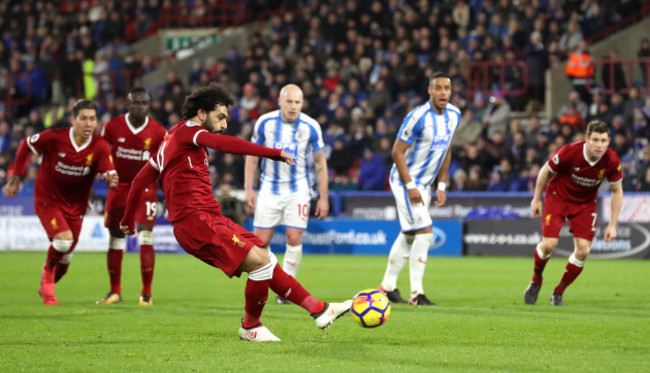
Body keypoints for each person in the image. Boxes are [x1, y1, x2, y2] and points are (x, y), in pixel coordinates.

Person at [119, 83, 350, 342]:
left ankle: (320, 309)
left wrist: (128, 220)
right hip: (196, 222)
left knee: (265, 257)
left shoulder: (172, 140)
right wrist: (273, 154)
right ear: (201, 113)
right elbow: (223, 144)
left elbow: (140, 179)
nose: (225, 123)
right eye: (220, 116)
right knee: (261, 263)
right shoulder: (189, 131)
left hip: (208, 219)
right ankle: (252, 326)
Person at [3, 100, 119, 305]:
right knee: (63, 241)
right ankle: (47, 272)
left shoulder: (100, 145)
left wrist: (110, 178)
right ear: (73, 120)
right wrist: (16, 177)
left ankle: (47, 281)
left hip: (76, 204)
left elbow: (108, 170)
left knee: (65, 259)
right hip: (48, 199)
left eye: (92, 119)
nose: (88, 123)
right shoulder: (54, 138)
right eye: (83, 118)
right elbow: (25, 145)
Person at [379, 71, 460, 306]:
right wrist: (411, 185)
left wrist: (442, 185)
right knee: (425, 232)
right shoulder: (418, 117)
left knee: (409, 234)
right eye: (438, 88)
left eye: (447, 88)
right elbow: (396, 151)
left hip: (424, 184)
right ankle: (417, 294)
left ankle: (387, 287)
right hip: (406, 182)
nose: (443, 92)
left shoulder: (454, 115)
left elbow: (447, 150)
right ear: (430, 91)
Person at [244, 84, 329, 305]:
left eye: (298, 102)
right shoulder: (265, 122)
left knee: (294, 236)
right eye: (289, 101)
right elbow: (252, 156)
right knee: (261, 244)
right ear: (280, 101)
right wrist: (248, 188)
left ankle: (286, 289)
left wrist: (324, 196)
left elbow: (320, 163)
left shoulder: (311, 126)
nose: (293, 106)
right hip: (269, 189)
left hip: (298, 190)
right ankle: (270, 281)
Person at [524, 120, 623, 306]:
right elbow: (545, 171)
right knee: (549, 245)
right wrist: (536, 199)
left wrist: (612, 224)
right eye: (595, 140)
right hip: (558, 198)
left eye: (603, 140)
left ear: (609, 141)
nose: (599, 145)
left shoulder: (611, 160)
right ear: (587, 139)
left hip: (585, 205)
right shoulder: (569, 152)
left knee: (584, 250)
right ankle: (536, 279)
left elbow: (617, 191)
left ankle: (558, 291)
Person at [97, 88, 167, 306]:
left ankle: (146, 293)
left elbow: (164, 164)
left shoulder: (158, 131)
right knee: (116, 237)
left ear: (149, 105)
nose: (140, 107)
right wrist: (105, 172)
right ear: (127, 104)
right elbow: (100, 152)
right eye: (136, 102)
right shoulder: (112, 126)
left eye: (144, 103)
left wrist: (169, 194)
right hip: (119, 187)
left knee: (146, 235)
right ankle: (114, 291)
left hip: (146, 188)